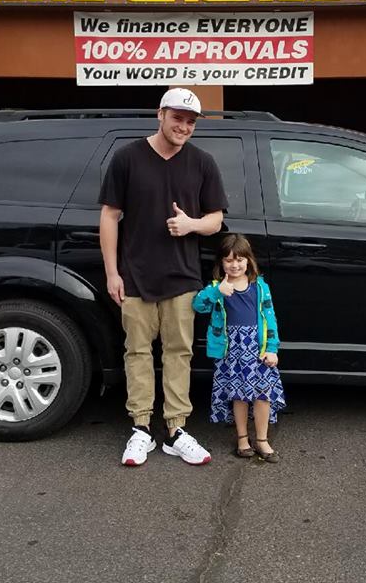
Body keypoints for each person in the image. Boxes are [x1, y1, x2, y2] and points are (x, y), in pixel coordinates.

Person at [98, 88, 227, 467]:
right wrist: (112, 272)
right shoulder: (127, 158)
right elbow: (109, 215)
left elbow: (216, 220)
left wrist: (191, 224)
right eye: (177, 118)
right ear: (160, 114)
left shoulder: (202, 163)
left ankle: (175, 431)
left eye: (190, 122)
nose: (183, 126)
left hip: (183, 279)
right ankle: (141, 429)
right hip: (134, 277)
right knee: (137, 352)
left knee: (178, 354)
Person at [193, 233, 285, 463]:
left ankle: (262, 440)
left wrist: (272, 348)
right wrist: (217, 292)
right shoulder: (218, 288)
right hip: (232, 350)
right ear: (221, 263)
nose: (234, 265)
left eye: (240, 259)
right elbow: (198, 305)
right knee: (239, 395)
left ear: (248, 260)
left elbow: (270, 318)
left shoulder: (259, 287)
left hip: (258, 349)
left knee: (263, 394)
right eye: (229, 260)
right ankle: (242, 439)